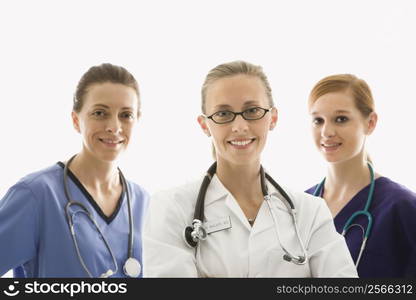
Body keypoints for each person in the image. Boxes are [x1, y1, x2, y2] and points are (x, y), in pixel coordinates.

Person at [143, 61, 357, 277]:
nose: (240, 127)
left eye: (252, 110)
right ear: (204, 124)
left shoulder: (310, 213)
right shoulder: (172, 208)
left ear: (272, 118)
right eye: (223, 114)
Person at [0, 63, 149, 278]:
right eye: (100, 113)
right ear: (76, 120)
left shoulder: (144, 203)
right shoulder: (36, 195)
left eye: (126, 115)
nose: (114, 127)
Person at [305, 74, 416, 277]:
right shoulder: (297, 207)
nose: (326, 131)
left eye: (341, 119)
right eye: (318, 120)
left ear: (370, 122)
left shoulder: (402, 208)